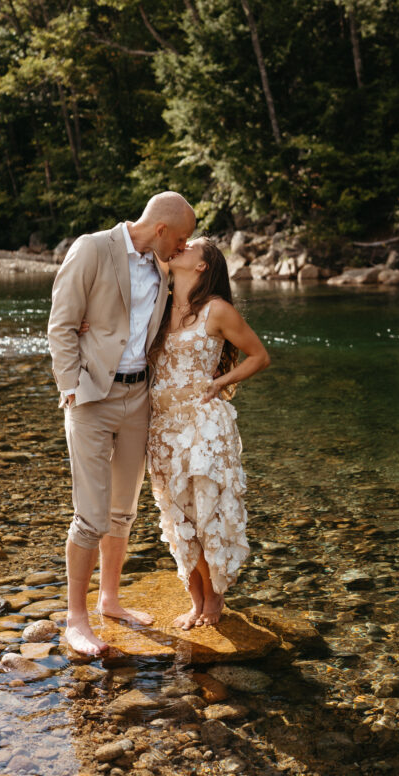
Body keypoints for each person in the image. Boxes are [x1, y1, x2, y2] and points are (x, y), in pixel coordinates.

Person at [47, 191, 196, 656]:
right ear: (161, 229)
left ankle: (110, 600)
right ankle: (77, 618)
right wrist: (71, 386)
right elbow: (62, 323)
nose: (183, 248)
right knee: (90, 515)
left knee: (123, 512)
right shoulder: (92, 248)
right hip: (91, 398)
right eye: (182, 238)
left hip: (139, 397)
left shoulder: (163, 265)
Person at [147, 237, 270, 629]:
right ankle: (196, 596)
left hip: (202, 425)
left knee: (204, 511)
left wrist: (221, 383)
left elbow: (260, 356)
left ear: (203, 266)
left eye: (190, 247)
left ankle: (213, 599)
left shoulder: (217, 310)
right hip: (162, 426)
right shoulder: (158, 306)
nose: (179, 247)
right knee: (175, 513)